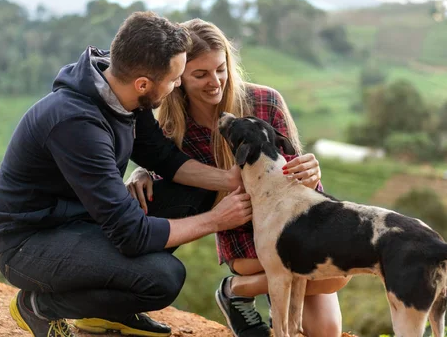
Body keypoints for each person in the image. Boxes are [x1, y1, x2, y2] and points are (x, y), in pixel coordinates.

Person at [0, 11, 255, 337]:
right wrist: (217, 220)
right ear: (143, 83)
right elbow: (131, 234)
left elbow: (162, 157)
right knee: (162, 277)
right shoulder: (76, 124)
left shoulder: (122, 90)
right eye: (173, 80)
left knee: (193, 192)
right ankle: (39, 306)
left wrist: (228, 180)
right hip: (29, 244)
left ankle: (113, 314)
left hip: (82, 223)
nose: (174, 88)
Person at [123, 19, 349, 337]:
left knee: (329, 315)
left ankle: (238, 290)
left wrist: (310, 174)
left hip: (291, 227)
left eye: (220, 69)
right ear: (178, 78)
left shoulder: (265, 102)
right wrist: (142, 170)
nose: (214, 81)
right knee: (324, 275)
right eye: (200, 74)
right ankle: (254, 285)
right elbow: (165, 169)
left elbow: (295, 174)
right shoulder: (174, 127)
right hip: (244, 234)